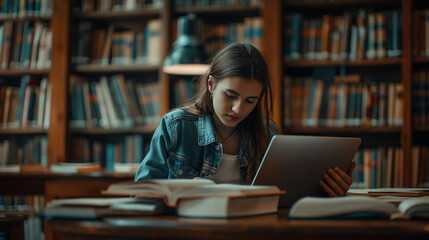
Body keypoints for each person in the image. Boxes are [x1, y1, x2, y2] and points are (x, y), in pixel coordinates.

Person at [135, 42, 355, 197]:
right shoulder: (176, 127)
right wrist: (180, 193)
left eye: (251, 100)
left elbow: (284, 199)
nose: (238, 109)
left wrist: (329, 191)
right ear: (211, 85)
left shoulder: (268, 133)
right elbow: (140, 194)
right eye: (231, 95)